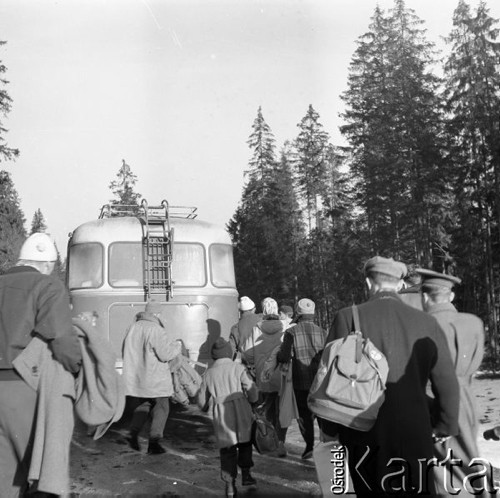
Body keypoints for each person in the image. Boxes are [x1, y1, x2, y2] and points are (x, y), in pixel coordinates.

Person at [321, 256, 460, 496]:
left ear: (368, 283)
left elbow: (328, 377)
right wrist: (444, 425)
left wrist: (330, 427)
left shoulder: (348, 317)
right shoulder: (427, 322)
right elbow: (447, 383)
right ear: (400, 285)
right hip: (414, 431)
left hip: (361, 430)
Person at [0, 232, 82, 496]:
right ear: (47, 265)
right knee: (39, 473)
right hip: (23, 387)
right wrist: (76, 369)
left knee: (4, 476)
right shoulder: (47, 286)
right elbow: (61, 338)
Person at [418, 268, 486, 496]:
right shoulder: (474, 322)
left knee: (442, 465)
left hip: (434, 397)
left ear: (425, 297)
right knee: (468, 456)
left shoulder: (422, 325)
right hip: (467, 398)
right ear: (452, 296)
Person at [198, 337, 258, 498]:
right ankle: (246, 474)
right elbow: (251, 389)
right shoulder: (238, 368)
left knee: (227, 450)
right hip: (242, 411)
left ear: (214, 356)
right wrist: (253, 401)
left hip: (222, 415)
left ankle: (230, 486)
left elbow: (201, 400)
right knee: (245, 444)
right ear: (228, 354)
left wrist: (204, 407)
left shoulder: (209, 373)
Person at [122, 299, 182, 454]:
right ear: (156, 313)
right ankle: (154, 443)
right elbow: (165, 354)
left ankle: (133, 433)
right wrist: (177, 346)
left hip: (138, 378)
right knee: (162, 407)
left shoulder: (132, 327)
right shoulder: (156, 329)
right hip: (155, 378)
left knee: (144, 405)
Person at [276, 298, 326, 460]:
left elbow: (284, 357)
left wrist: (277, 355)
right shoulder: (323, 332)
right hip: (320, 382)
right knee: (322, 415)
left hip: (300, 381)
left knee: (304, 417)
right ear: (313, 314)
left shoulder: (291, 332)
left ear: (298, 313)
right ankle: (326, 446)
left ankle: (309, 447)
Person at [241, 297, 287, 457]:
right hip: (281, 374)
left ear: (264, 310)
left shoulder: (257, 328)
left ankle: (268, 441)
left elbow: (247, 352)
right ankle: (280, 442)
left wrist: (256, 363)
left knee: (266, 408)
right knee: (280, 409)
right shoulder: (285, 326)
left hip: (263, 374)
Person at [228, 296, 261, 360]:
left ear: (240, 311)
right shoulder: (262, 321)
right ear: (253, 309)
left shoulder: (235, 328)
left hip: (245, 363)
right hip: (263, 362)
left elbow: (232, 351)